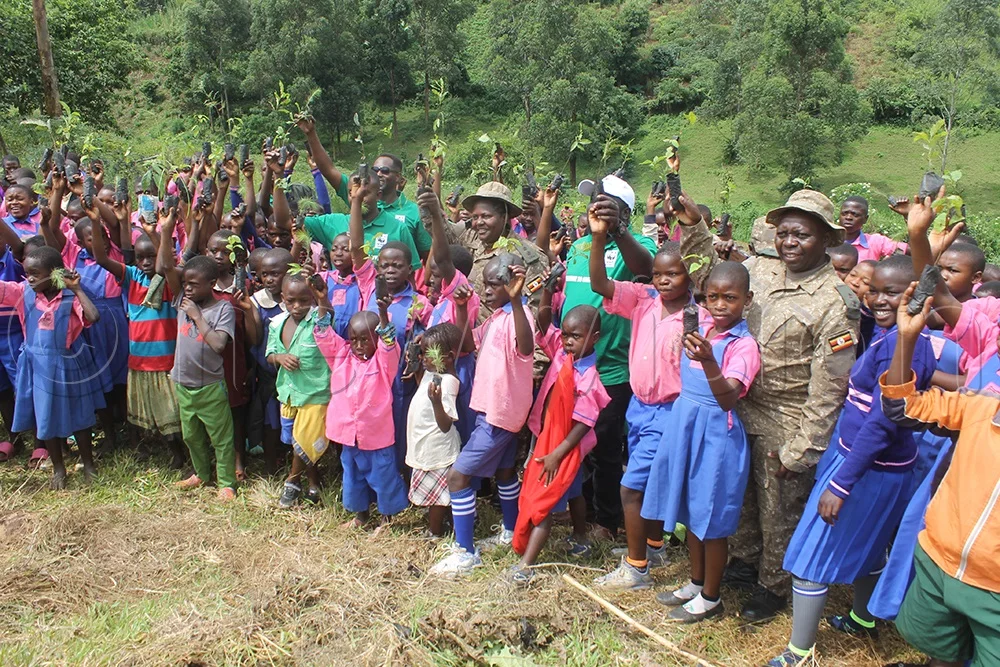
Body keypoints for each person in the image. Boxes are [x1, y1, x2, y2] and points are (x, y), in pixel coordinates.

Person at [681, 189, 860, 622]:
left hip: (787, 417)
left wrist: (805, 448)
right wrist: (692, 226)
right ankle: (743, 563)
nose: (790, 243)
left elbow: (831, 385)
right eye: (783, 233)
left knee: (778, 507)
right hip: (737, 406)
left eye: (802, 234)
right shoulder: (759, 270)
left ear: (825, 240)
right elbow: (709, 272)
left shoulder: (835, 301)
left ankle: (774, 585)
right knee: (737, 498)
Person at [766, 256, 935, 666]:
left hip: (866, 468)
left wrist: (841, 483)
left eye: (892, 292)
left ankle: (799, 652)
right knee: (871, 546)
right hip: (875, 464)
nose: (877, 298)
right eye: (874, 288)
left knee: (812, 558)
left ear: (916, 297)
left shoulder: (902, 347)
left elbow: (882, 424)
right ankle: (863, 618)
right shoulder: (890, 335)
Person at [589, 195, 712, 591]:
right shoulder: (643, 300)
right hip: (640, 408)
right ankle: (654, 544)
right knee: (648, 482)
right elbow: (599, 284)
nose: (663, 280)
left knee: (632, 488)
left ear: (690, 277)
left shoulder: (697, 316)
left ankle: (636, 566)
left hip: (671, 411)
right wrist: (596, 238)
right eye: (658, 273)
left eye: (673, 274)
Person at [878, 281, 1000, 667]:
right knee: (936, 648)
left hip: (994, 591)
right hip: (938, 562)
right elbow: (902, 407)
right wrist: (907, 340)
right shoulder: (981, 407)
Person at [645, 261, 760, 623]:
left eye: (730, 298)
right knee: (692, 513)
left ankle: (712, 596)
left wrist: (710, 361)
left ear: (748, 300)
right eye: (714, 297)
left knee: (710, 517)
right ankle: (696, 582)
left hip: (716, 434)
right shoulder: (702, 326)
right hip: (686, 425)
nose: (721, 305)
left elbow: (728, 398)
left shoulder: (744, 346)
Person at [554, 174, 656, 541]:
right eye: (593, 201)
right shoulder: (580, 246)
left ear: (623, 210)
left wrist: (620, 230)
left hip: (612, 367)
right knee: (576, 442)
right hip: (574, 367)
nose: (594, 206)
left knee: (606, 447)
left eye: (606, 202)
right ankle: (584, 506)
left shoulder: (637, 243)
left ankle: (608, 521)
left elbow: (645, 266)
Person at [429, 254, 535, 577]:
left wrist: (517, 301)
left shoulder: (520, 316)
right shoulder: (495, 319)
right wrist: (461, 308)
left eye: (494, 284)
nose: (486, 291)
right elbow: (465, 344)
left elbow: (527, 348)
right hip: (494, 409)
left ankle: (465, 552)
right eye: (484, 284)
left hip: (499, 415)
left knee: (458, 476)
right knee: (504, 473)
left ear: (512, 283)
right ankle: (509, 530)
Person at [509, 303, 610, 585]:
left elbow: (583, 424)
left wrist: (556, 455)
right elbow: (544, 325)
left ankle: (526, 564)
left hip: (564, 447)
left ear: (595, 337)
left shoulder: (588, 378)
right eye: (565, 335)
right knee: (574, 490)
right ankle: (579, 536)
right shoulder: (564, 355)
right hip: (547, 437)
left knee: (545, 500)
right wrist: (546, 295)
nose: (567, 341)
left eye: (575, 336)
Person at [90, 196, 187, 468]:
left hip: (167, 360)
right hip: (140, 360)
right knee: (149, 411)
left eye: (151, 256)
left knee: (174, 414)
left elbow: (166, 265)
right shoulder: (131, 276)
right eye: (141, 256)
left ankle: (182, 454)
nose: (146, 261)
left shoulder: (170, 281)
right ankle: (154, 450)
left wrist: (157, 234)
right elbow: (100, 257)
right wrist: (96, 221)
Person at [0, 247, 103, 489]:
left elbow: (93, 316)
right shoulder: (23, 292)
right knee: (45, 417)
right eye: (27, 273)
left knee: (79, 414)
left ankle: (88, 463)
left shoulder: (69, 297)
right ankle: (59, 467)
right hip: (37, 366)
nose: (31, 278)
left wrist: (76, 289)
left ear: (54, 273)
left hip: (66, 364)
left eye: (36, 273)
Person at [314, 299, 409, 528]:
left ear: (376, 339)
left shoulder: (384, 362)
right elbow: (324, 334)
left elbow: (389, 342)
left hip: (376, 436)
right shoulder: (341, 356)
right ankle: (361, 516)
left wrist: (384, 313)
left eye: (365, 339)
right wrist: (322, 299)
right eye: (353, 338)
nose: (357, 344)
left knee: (383, 477)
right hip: (349, 435)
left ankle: (387, 520)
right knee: (353, 477)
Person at [172, 256, 239, 502]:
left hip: (210, 385)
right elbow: (166, 267)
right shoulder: (182, 300)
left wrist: (197, 316)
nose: (187, 288)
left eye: (193, 284)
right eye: (184, 284)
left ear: (211, 283)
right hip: (182, 382)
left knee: (221, 438)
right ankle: (200, 473)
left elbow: (219, 344)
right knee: (191, 435)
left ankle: (227, 483)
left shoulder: (222, 309)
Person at [419, 188, 480, 444]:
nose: (431, 279)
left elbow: (443, 259)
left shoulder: (461, 292)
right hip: (439, 368)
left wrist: (435, 214)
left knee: (460, 427)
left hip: (458, 371)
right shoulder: (443, 301)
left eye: (437, 274)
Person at [269, 273, 332, 507]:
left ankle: (292, 482)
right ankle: (314, 482)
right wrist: (279, 357)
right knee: (297, 441)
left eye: (304, 301)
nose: (297, 307)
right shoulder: (277, 324)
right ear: (283, 298)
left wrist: (323, 300)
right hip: (288, 393)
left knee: (305, 439)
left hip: (315, 394)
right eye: (291, 301)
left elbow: (327, 320)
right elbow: (269, 354)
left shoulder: (318, 319)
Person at [204, 230, 262, 481]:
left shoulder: (243, 286)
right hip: (206, 357)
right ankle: (212, 459)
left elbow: (252, 336)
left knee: (235, 410)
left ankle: (239, 458)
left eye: (225, 252)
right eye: (213, 251)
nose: (218, 256)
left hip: (234, 358)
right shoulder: (200, 283)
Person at [457, 182, 548, 323]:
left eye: (486, 216)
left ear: (504, 217)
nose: (479, 222)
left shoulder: (528, 257)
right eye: (475, 217)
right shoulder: (471, 239)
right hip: (469, 335)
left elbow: (533, 313)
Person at [404, 323, 463, 537]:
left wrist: (437, 401)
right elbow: (424, 387)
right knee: (437, 496)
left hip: (437, 449)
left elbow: (446, 424)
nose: (424, 358)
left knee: (438, 498)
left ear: (448, 357)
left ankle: (435, 532)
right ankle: (445, 525)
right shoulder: (434, 372)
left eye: (429, 354)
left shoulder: (448, 381)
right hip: (426, 444)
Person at [250, 248, 293, 473]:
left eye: (275, 274)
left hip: (295, 373)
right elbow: (256, 337)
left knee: (294, 421)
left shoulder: (298, 300)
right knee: (271, 421)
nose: (268, 279)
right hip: (269, 373)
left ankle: (295, 463)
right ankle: (270, 465)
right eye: (264, 274)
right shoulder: (257, 301)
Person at [839, 196, 907, 261]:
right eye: (844, 213)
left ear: (865, 219)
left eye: (855, 214)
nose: (848, 217)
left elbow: (912, 251)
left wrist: (907, 216)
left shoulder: (875, 242)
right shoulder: (829, 241)